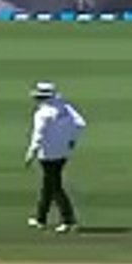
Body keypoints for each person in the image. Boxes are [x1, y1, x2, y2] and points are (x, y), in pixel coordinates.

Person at [25, 81, 87, 233]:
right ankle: (40, 218)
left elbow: (38, 136)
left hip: (47, 155)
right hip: (63, 152)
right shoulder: (65, 106)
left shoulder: (42, 114)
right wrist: (71, 139)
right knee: (48, 184)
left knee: (54, 186)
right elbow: (80, 124)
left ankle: (68, 220)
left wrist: (31, 152)